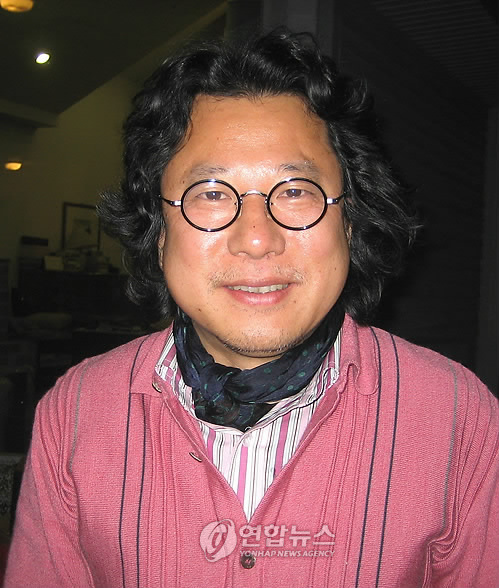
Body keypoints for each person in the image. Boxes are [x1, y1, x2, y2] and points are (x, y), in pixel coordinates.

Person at [4, 30, 498, 588]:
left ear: (350, 222)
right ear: (158, 232)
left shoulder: (460, 421)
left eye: (296, 191)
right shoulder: (73, 416)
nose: (258, 239)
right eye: (212, 194)